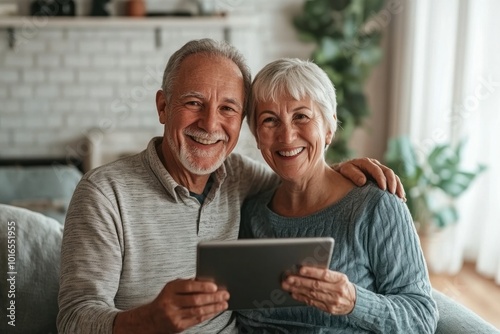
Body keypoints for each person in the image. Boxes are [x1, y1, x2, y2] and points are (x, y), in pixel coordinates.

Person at [57, 39, 404, 334]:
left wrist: (335, 169)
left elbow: (299, 175)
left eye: (227, 108)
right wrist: (149, 319)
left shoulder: (241, 178)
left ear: (241, 122)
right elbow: (73, 318)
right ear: (163, 106)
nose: (210, 124)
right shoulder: (103, 193)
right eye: (194, 103)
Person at [236, 58, 438, 333]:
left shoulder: (377, 207)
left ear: (329, 127)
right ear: (257, 136)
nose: (287, 135)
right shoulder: (250, 212)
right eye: (270, 120)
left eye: (301, 116)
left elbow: (421, 318)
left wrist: (354, 302)